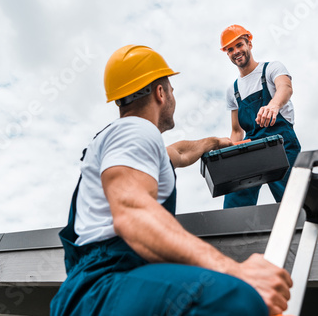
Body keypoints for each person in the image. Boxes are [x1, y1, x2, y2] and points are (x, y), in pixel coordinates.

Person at [50, 45, 292, 316]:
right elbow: (133, 214)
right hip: (103, 285)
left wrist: (215, 142)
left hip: (108, 286)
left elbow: (177, 152)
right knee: (235, 298)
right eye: (172, 89)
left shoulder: (130, 145)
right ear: (160, 92)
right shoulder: (135, 131)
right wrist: (235, 272)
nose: (173, 95)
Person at [221, 25, 301, 209]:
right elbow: (236, 131)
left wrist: (273, 105)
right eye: (230, 49)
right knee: (235, 199)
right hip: (252, 149)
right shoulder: (233, 90)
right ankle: (235, 234)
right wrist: (228, 158)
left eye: (239, 45)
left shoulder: (271, 68)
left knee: (291, 201)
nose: (236, 52)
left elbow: (285, 88)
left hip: (281, 144)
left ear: (249, 43)